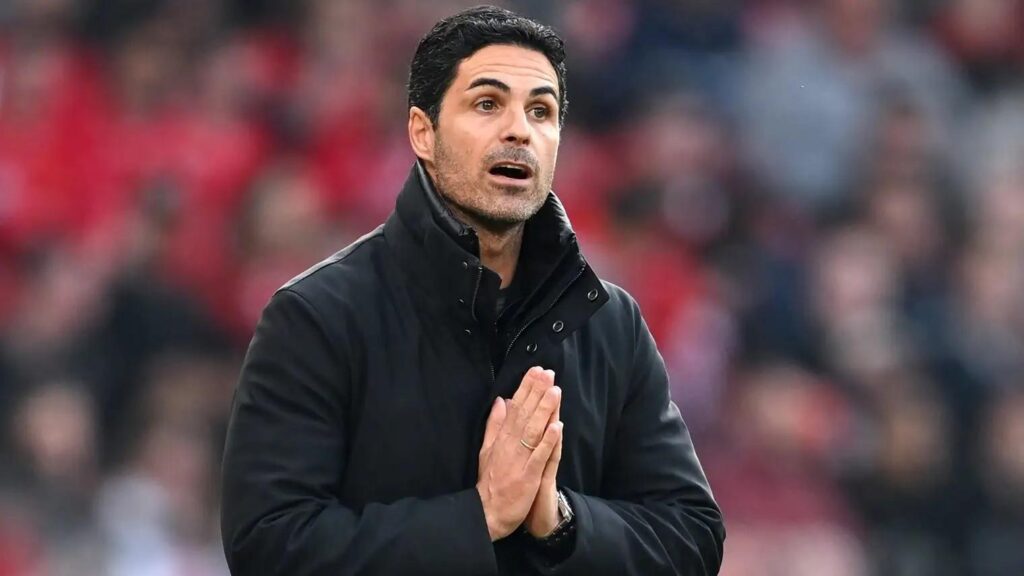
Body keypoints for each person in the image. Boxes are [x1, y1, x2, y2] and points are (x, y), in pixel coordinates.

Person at [220, 5, 724, 575]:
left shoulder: (609, 322)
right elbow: (268, 546)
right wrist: (478, 519)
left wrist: (561, 521)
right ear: (423, 132)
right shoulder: (315, 316)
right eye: (487, 104)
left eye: (541, 111)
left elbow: (692, 539)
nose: (519, 130)